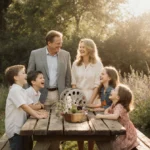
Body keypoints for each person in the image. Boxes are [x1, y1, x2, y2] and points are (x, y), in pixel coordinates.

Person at [5, 65, 48, 150]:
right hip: (15, 130)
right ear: (16, 77)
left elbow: (30, 105)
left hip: (23, 127)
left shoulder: (21, 90)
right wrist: (38, 116)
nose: (26, 75)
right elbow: (24, 107)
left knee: (28, 146)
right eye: (23, 73)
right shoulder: (14, 90)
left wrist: (39, 112)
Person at [71, 38, 103, 150]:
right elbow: (73, 83)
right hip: (78, 98)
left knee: (91, 127)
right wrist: (77, 98)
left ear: (90, 48)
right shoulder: (75, 64)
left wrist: (90, 102)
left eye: (84, 47)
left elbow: (97, 84)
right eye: (80, 47)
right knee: (79, 125)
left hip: (93, 97)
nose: (81, 49)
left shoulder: (97, 64)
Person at [27, 30, 71, 106]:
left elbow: (68, 76)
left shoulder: (66, 54)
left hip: (59, 96)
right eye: (58, 43)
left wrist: (66, 93)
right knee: (40, 117)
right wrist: (30, 95)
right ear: (49, 43)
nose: (60, 46)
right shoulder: (35, 54)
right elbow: (30, 75)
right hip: (40, 96)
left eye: (61, 43)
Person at [96, 84, 139, 150]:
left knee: (112, 144)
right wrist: (106, 113)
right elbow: (106, 111)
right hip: (121, 129)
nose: (112, 90)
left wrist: (101, 116)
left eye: (114, 90)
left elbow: (115, 116)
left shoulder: (119, 106)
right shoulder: (114, 104)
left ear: (118, 97)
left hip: (126, 133)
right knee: (107, 142)